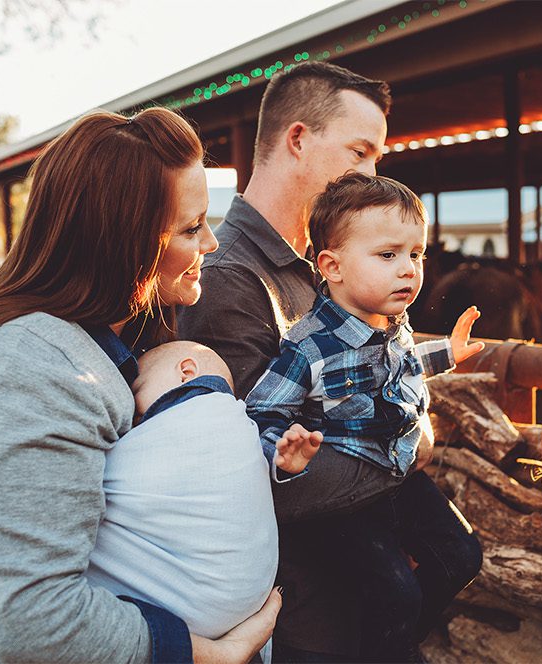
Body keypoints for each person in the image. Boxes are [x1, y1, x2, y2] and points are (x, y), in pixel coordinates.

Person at [0, 107, 280, 664]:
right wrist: (212, 654)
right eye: (190, 227)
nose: (210, 242)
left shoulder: (101, 341)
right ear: (122, 241)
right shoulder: (31, 366)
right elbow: (37, 619)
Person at [173, 60, 398, 661]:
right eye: (359, 151)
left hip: (340, 569)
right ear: (298, 139)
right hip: (294, 602)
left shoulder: (320, 268)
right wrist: (403, 451)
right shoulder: (229, 278)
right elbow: (258, 470)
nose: (372, 174)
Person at [243, 173, 486, 662]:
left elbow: (404, 366)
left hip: (398, 474)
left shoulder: (393, 324)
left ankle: (388, 646)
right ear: (332, 266)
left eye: (416, 254)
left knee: (463, 556)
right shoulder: (307, 345)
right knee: (398, 591)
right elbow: (263, 410)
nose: (409, 270)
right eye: (388, 255)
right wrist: (282, 453)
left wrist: (447, 355)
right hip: (344, 500)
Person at [81, 341, 321, 662]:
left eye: (136, 388)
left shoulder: (207, 416)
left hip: (180, 615)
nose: (133, 415)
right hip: (241, 607)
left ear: (186, 372)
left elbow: (105, 483)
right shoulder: (238, 426)